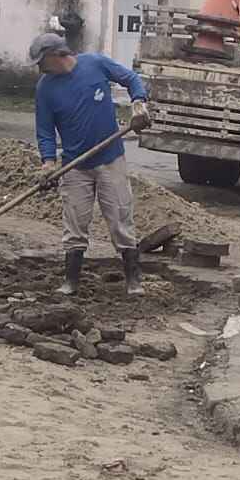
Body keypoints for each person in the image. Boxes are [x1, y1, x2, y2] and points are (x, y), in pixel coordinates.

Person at [31, 31, 152, 297]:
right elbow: (45, 131)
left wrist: (138, 103)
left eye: (42, 61)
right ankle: (71, 282)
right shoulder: (45, 88)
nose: (39, 68)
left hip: (111, 158)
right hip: (75, 166)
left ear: (57, 55)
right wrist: (48, 163)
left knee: (120, 218)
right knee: (74, 223)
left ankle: (133, 279)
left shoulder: (95, 64)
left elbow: (131, 79)